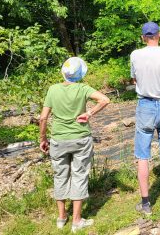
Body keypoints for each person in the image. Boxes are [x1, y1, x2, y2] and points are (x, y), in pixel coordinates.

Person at [39, 57, 110, 232]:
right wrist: (89, 113)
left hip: (58, 139)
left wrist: (43, 138)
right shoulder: (83, 88)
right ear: (80, 74)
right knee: (79, 176)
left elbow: (43, 117)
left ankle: (62, 217)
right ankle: (77, 220)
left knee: (60, 175)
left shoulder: (53, 89)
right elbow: (105, 100)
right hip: (81, 138)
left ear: (64, 72)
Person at [130, 21, 160, 215]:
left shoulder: (135, 55)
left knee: (142, 154)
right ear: (159, 35)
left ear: (143, 37)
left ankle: (145, 203)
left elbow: (135, 79)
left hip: (145, 104)